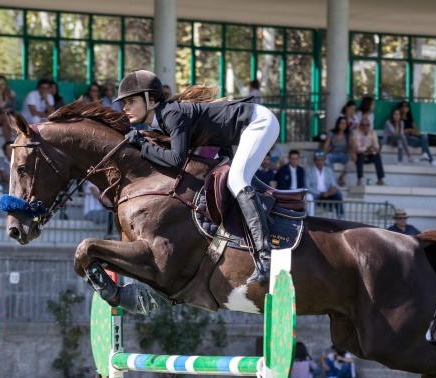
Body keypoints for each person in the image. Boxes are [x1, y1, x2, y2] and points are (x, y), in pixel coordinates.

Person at [118, 69, 280, 284]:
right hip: (241, 131)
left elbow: (176, 160)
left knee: (237, 180)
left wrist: (141, 144)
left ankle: (265, 257)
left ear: (151, 100)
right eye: (124, 102)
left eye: (131, 101)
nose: (125, 107)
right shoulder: (166, 118)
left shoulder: (172, 114)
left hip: (258, 123)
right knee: (228, 180)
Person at [306, 150, 343, 217]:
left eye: (321, 160)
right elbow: (307, 186)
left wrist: (328, 193)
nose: (320, 162)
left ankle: (340, 216)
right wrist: (319, 193)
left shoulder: (328, 170)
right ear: (314, 160)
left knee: (338, 195)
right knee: (309, 197)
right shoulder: (309, 171)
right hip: (316, 194)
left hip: (327, 194)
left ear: (324, 160)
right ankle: (310, 218)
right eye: (318, 160)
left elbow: (334, 185)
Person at [352, 118, 385, 186]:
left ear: (369, 125)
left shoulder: (373, 133)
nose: (365, 127)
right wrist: (367, 149)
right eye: (363, 125)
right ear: (360, 125)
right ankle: (359, 179)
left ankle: (380, 179)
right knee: (360, 156)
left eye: (367, 125)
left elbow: (376, 147)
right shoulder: (356, 133)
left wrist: (369, 150)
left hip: (370, 154)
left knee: (377, 156)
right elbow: (357, 148)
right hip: (360, 155)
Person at [323, 116, 352, 186]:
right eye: (341, 123)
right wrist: (325, 151)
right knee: (326, 158)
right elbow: (326, 145)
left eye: (345, 123)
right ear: (338, 124)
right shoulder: (332, 133)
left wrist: (352, 152)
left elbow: (352, 145)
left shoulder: (348, 134)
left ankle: (341, 177)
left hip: (344, 155)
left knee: (352, 160)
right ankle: (333, 179)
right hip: (333, 154)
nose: (343, 125)